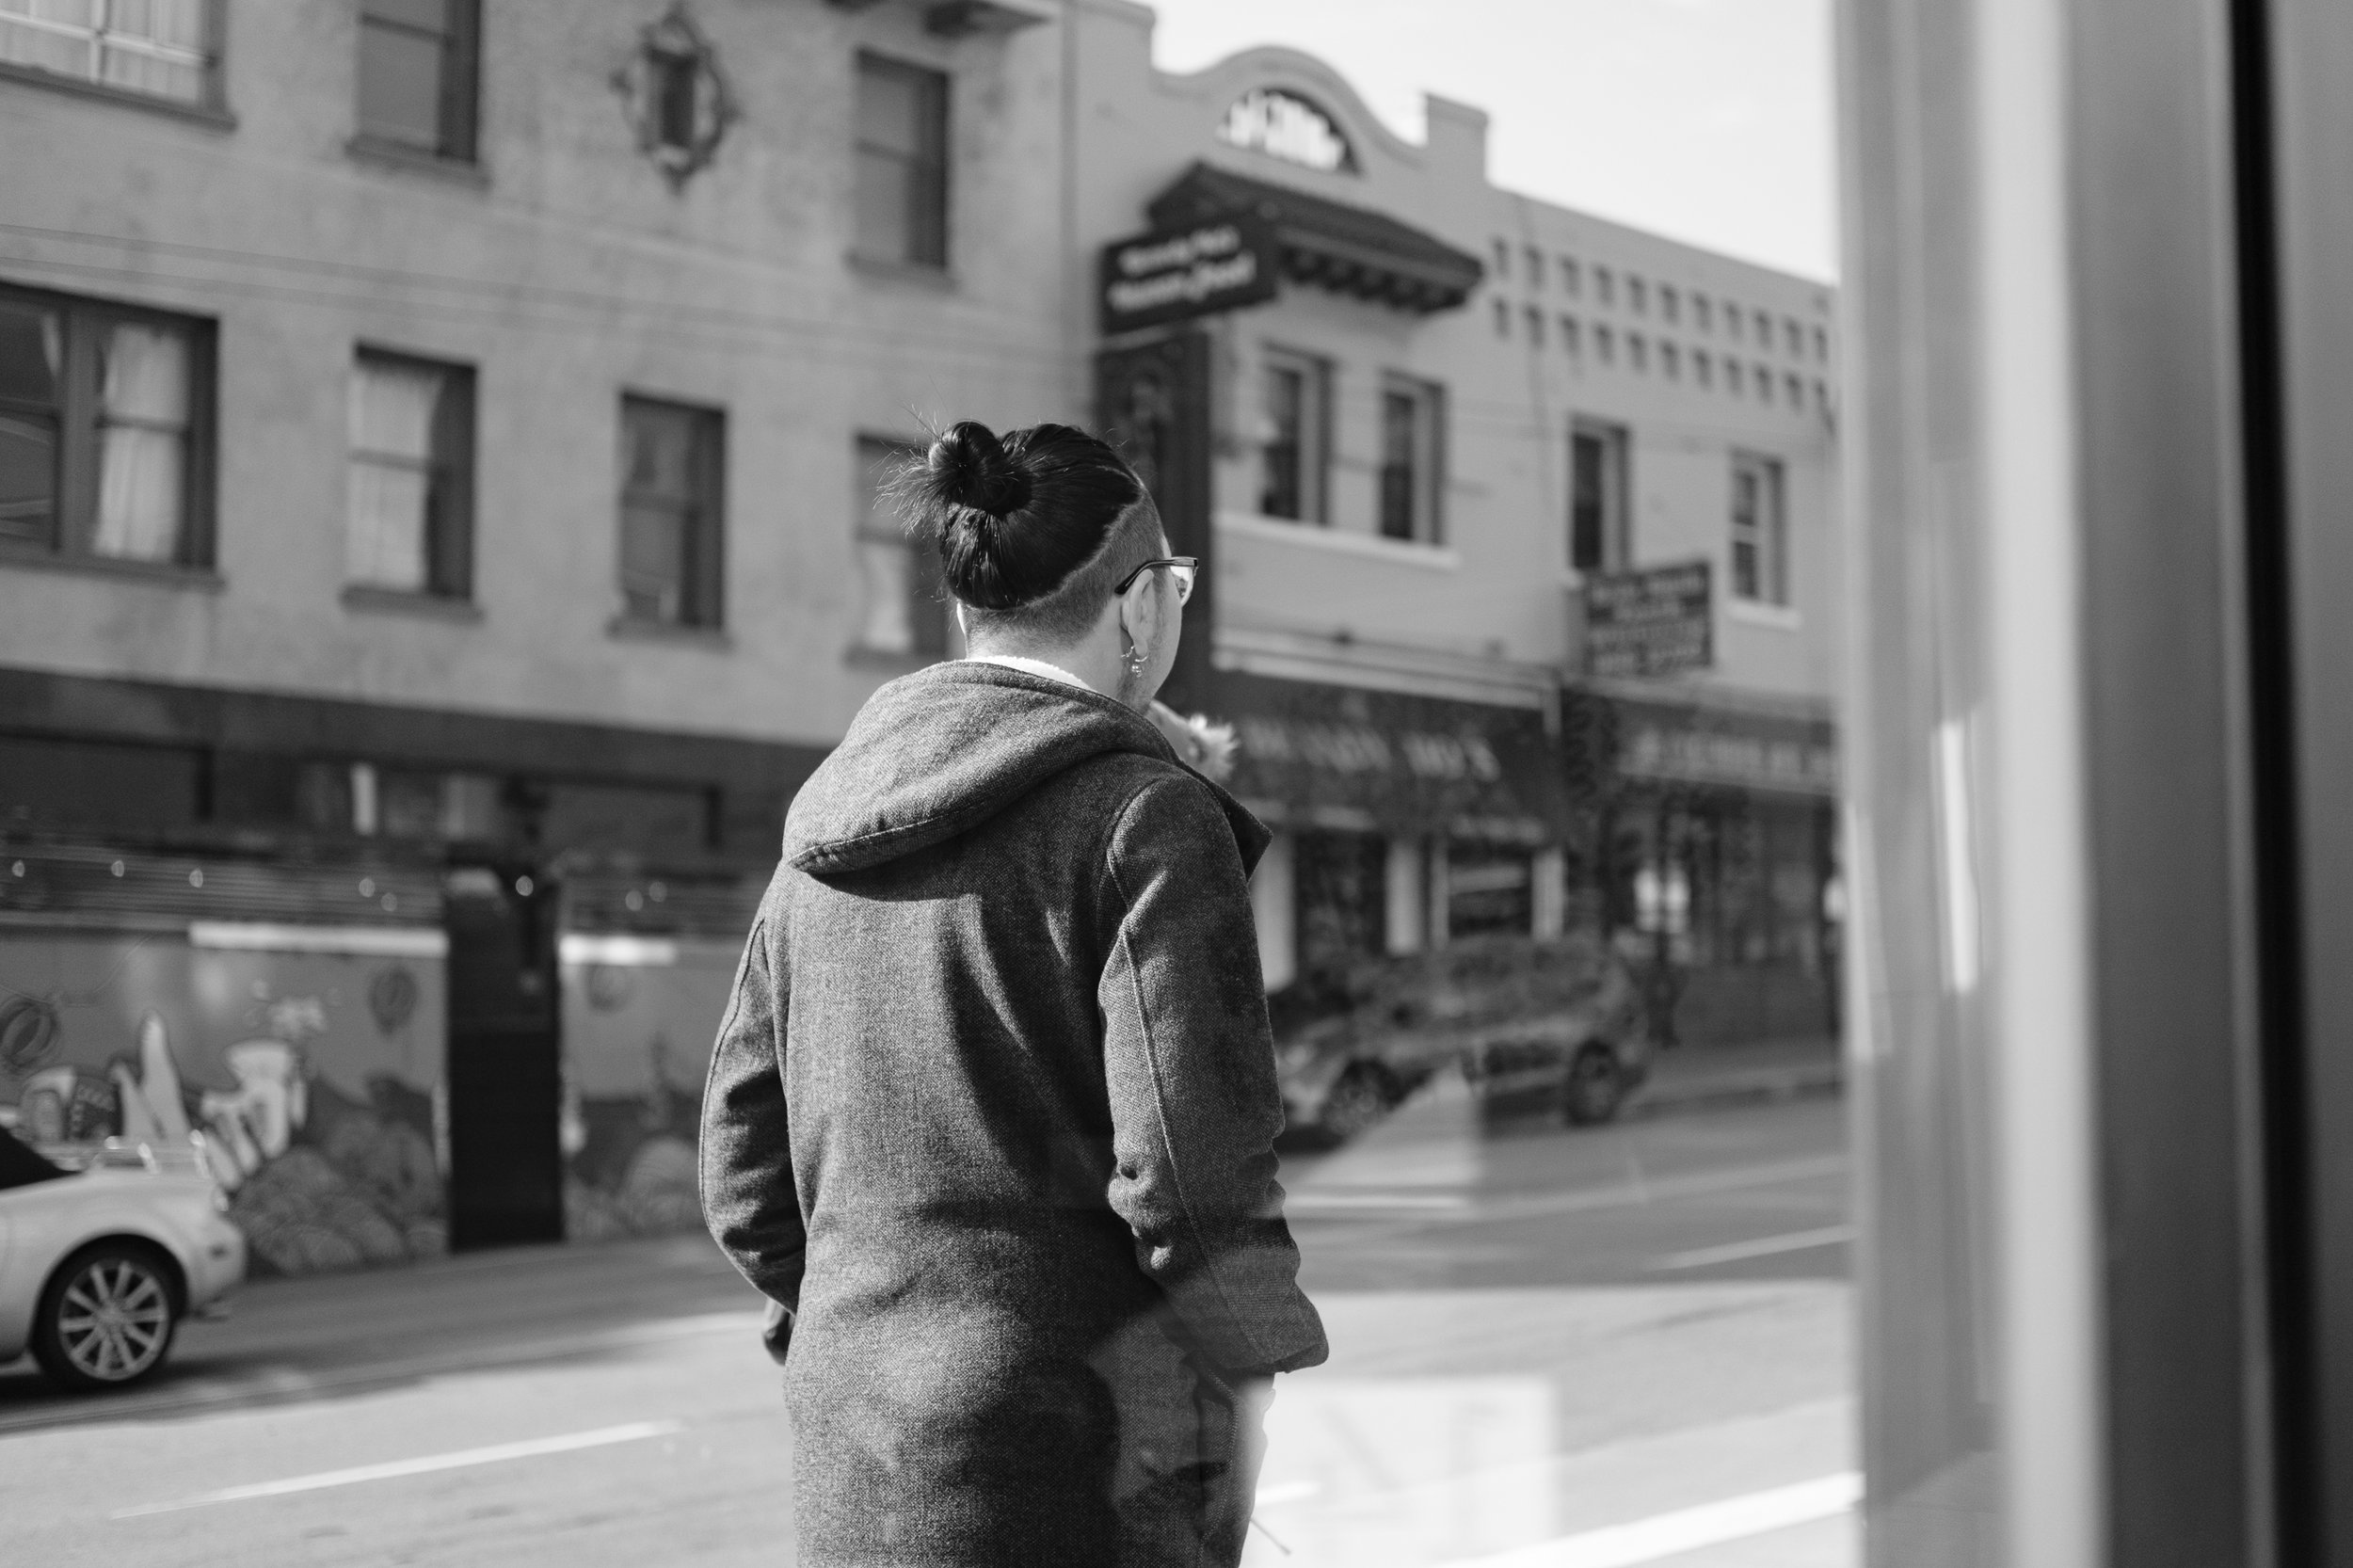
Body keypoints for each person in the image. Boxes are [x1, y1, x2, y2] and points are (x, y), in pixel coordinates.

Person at [701, 420, 1327, 1567]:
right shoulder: (1144, 814)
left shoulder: (822, 827)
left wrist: (869, 1336)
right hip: (1087, 1455)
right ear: (1138, 606)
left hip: (858, 1443)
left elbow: (741, 1172)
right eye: (1174, 584)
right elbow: (1191, 1176)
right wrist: (1250, 1364)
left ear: (967, 612)